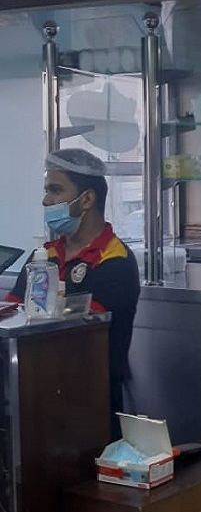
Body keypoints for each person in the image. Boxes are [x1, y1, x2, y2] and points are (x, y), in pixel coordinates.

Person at [4, 148, 140, 439]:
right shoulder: (45, 256)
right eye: (46, 190)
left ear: (87, 199)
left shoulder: (114, 260)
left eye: (55, 190)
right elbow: (11, 314)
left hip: (89, 404)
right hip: (35, 400)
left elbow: (81, 337)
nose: (46, 200)